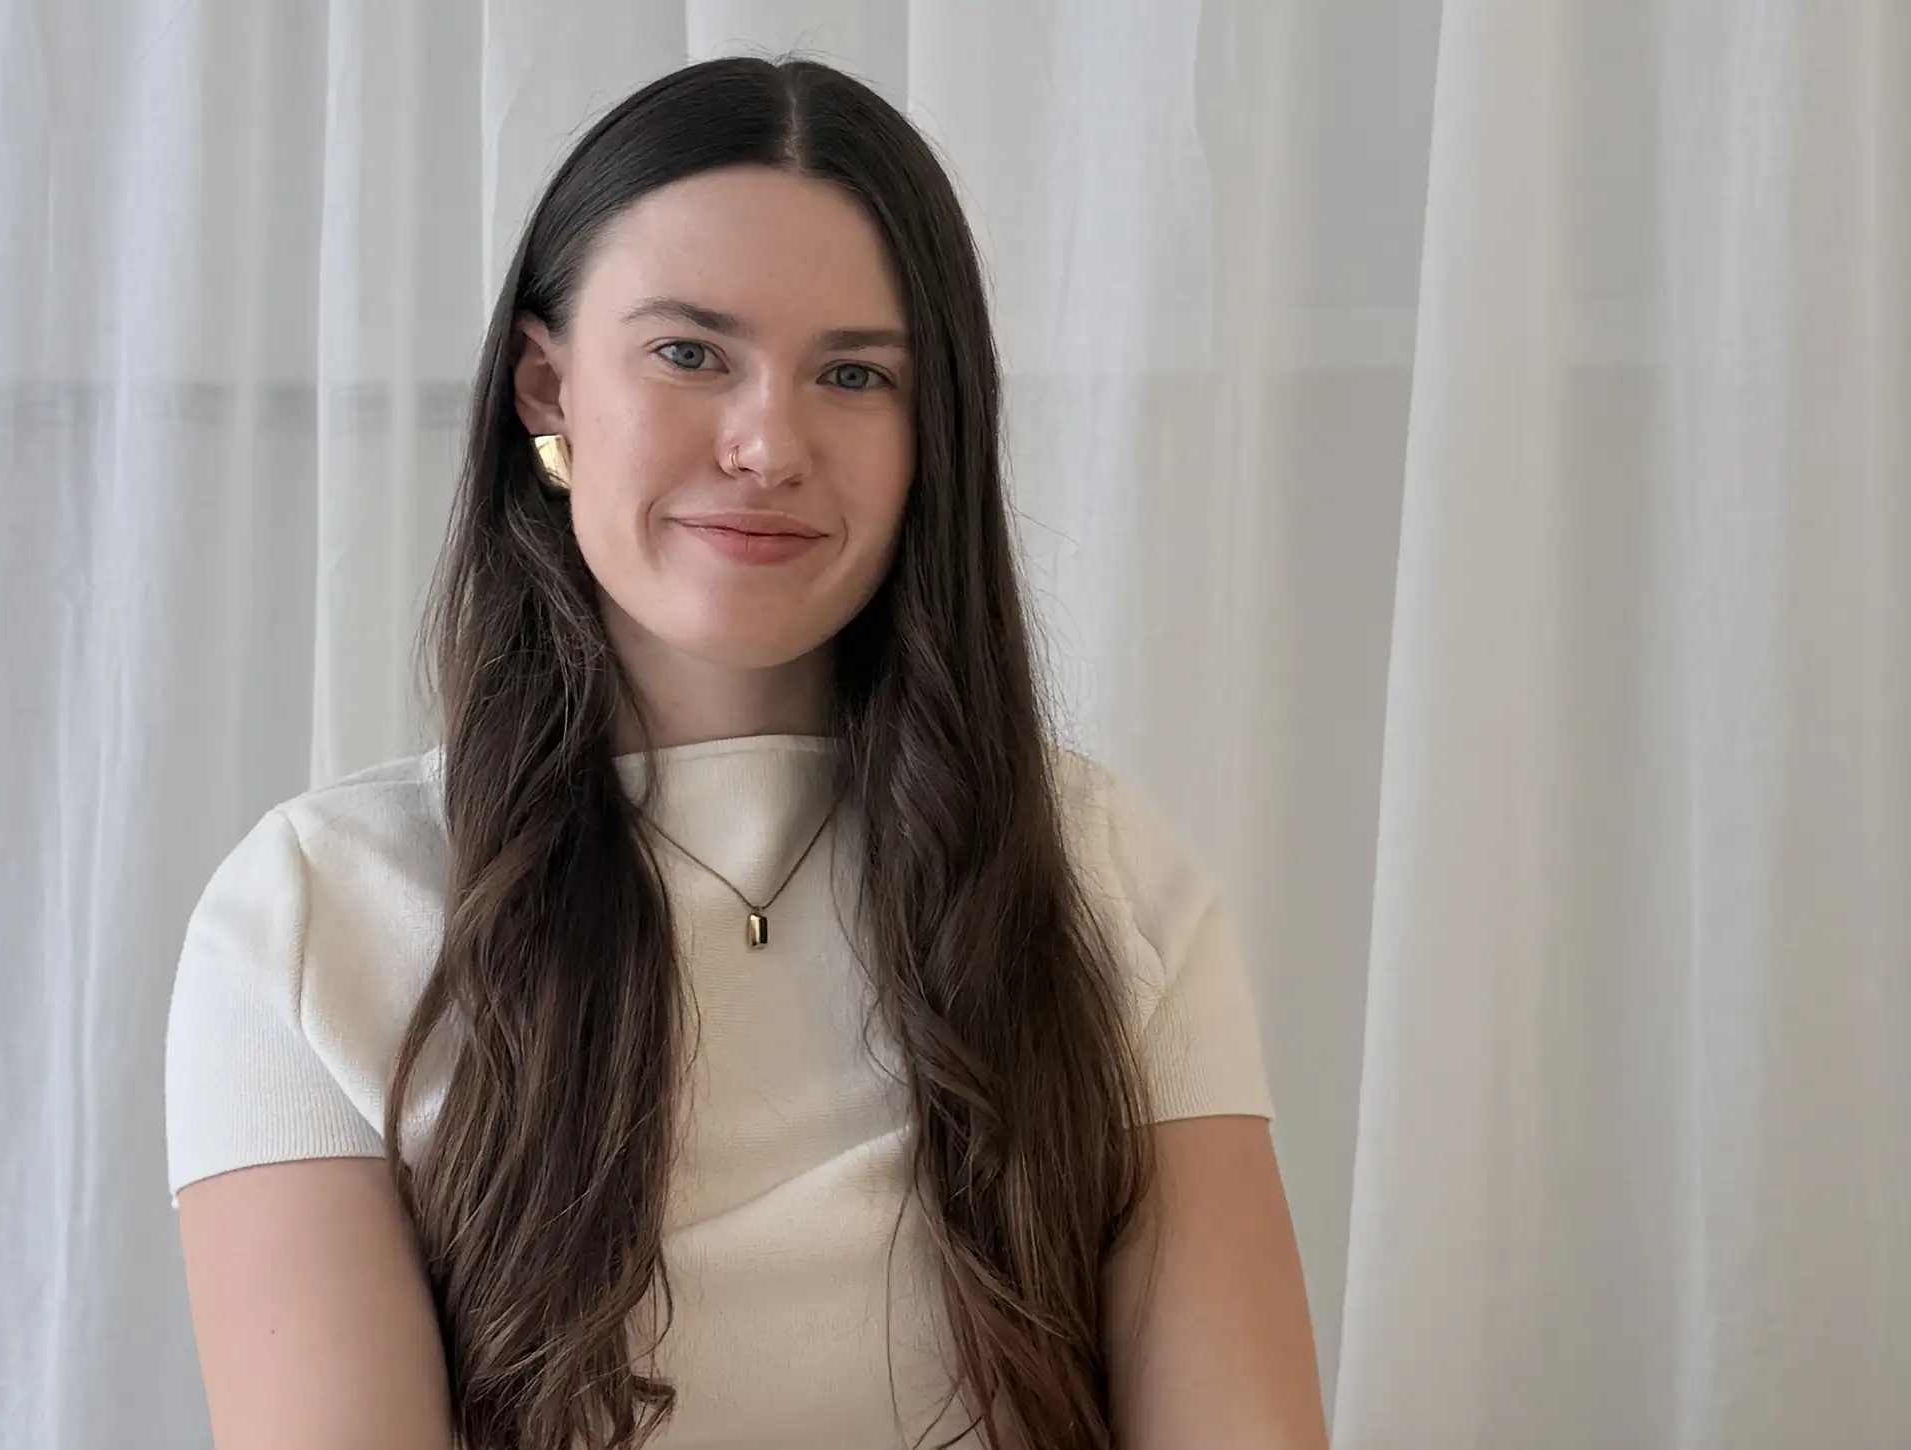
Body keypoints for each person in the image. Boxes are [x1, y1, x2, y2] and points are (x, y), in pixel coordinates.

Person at [164, 55, 1324, 1450]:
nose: (770, 440)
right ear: (548, 389)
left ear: (929, 433)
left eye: (853, 373)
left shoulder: (1104, 881)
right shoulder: (310, 916)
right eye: (691, 353)